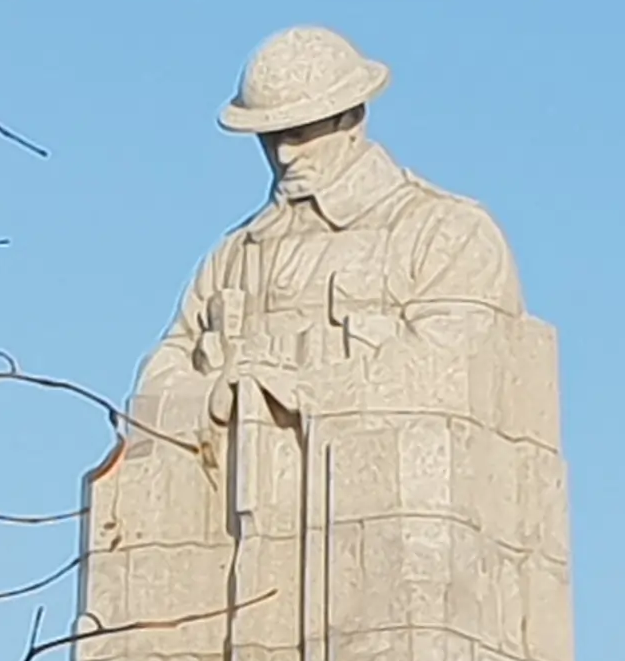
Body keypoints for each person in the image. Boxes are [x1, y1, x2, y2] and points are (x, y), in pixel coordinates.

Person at [128, 25, 523, 441]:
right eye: (271, 137)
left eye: (299, 135)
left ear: (352, 118)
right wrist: (212, 397)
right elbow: (157, 381)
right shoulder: (232, 257)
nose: (284, 154)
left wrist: (298, 389)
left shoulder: (447, 232)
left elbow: (455, 375)